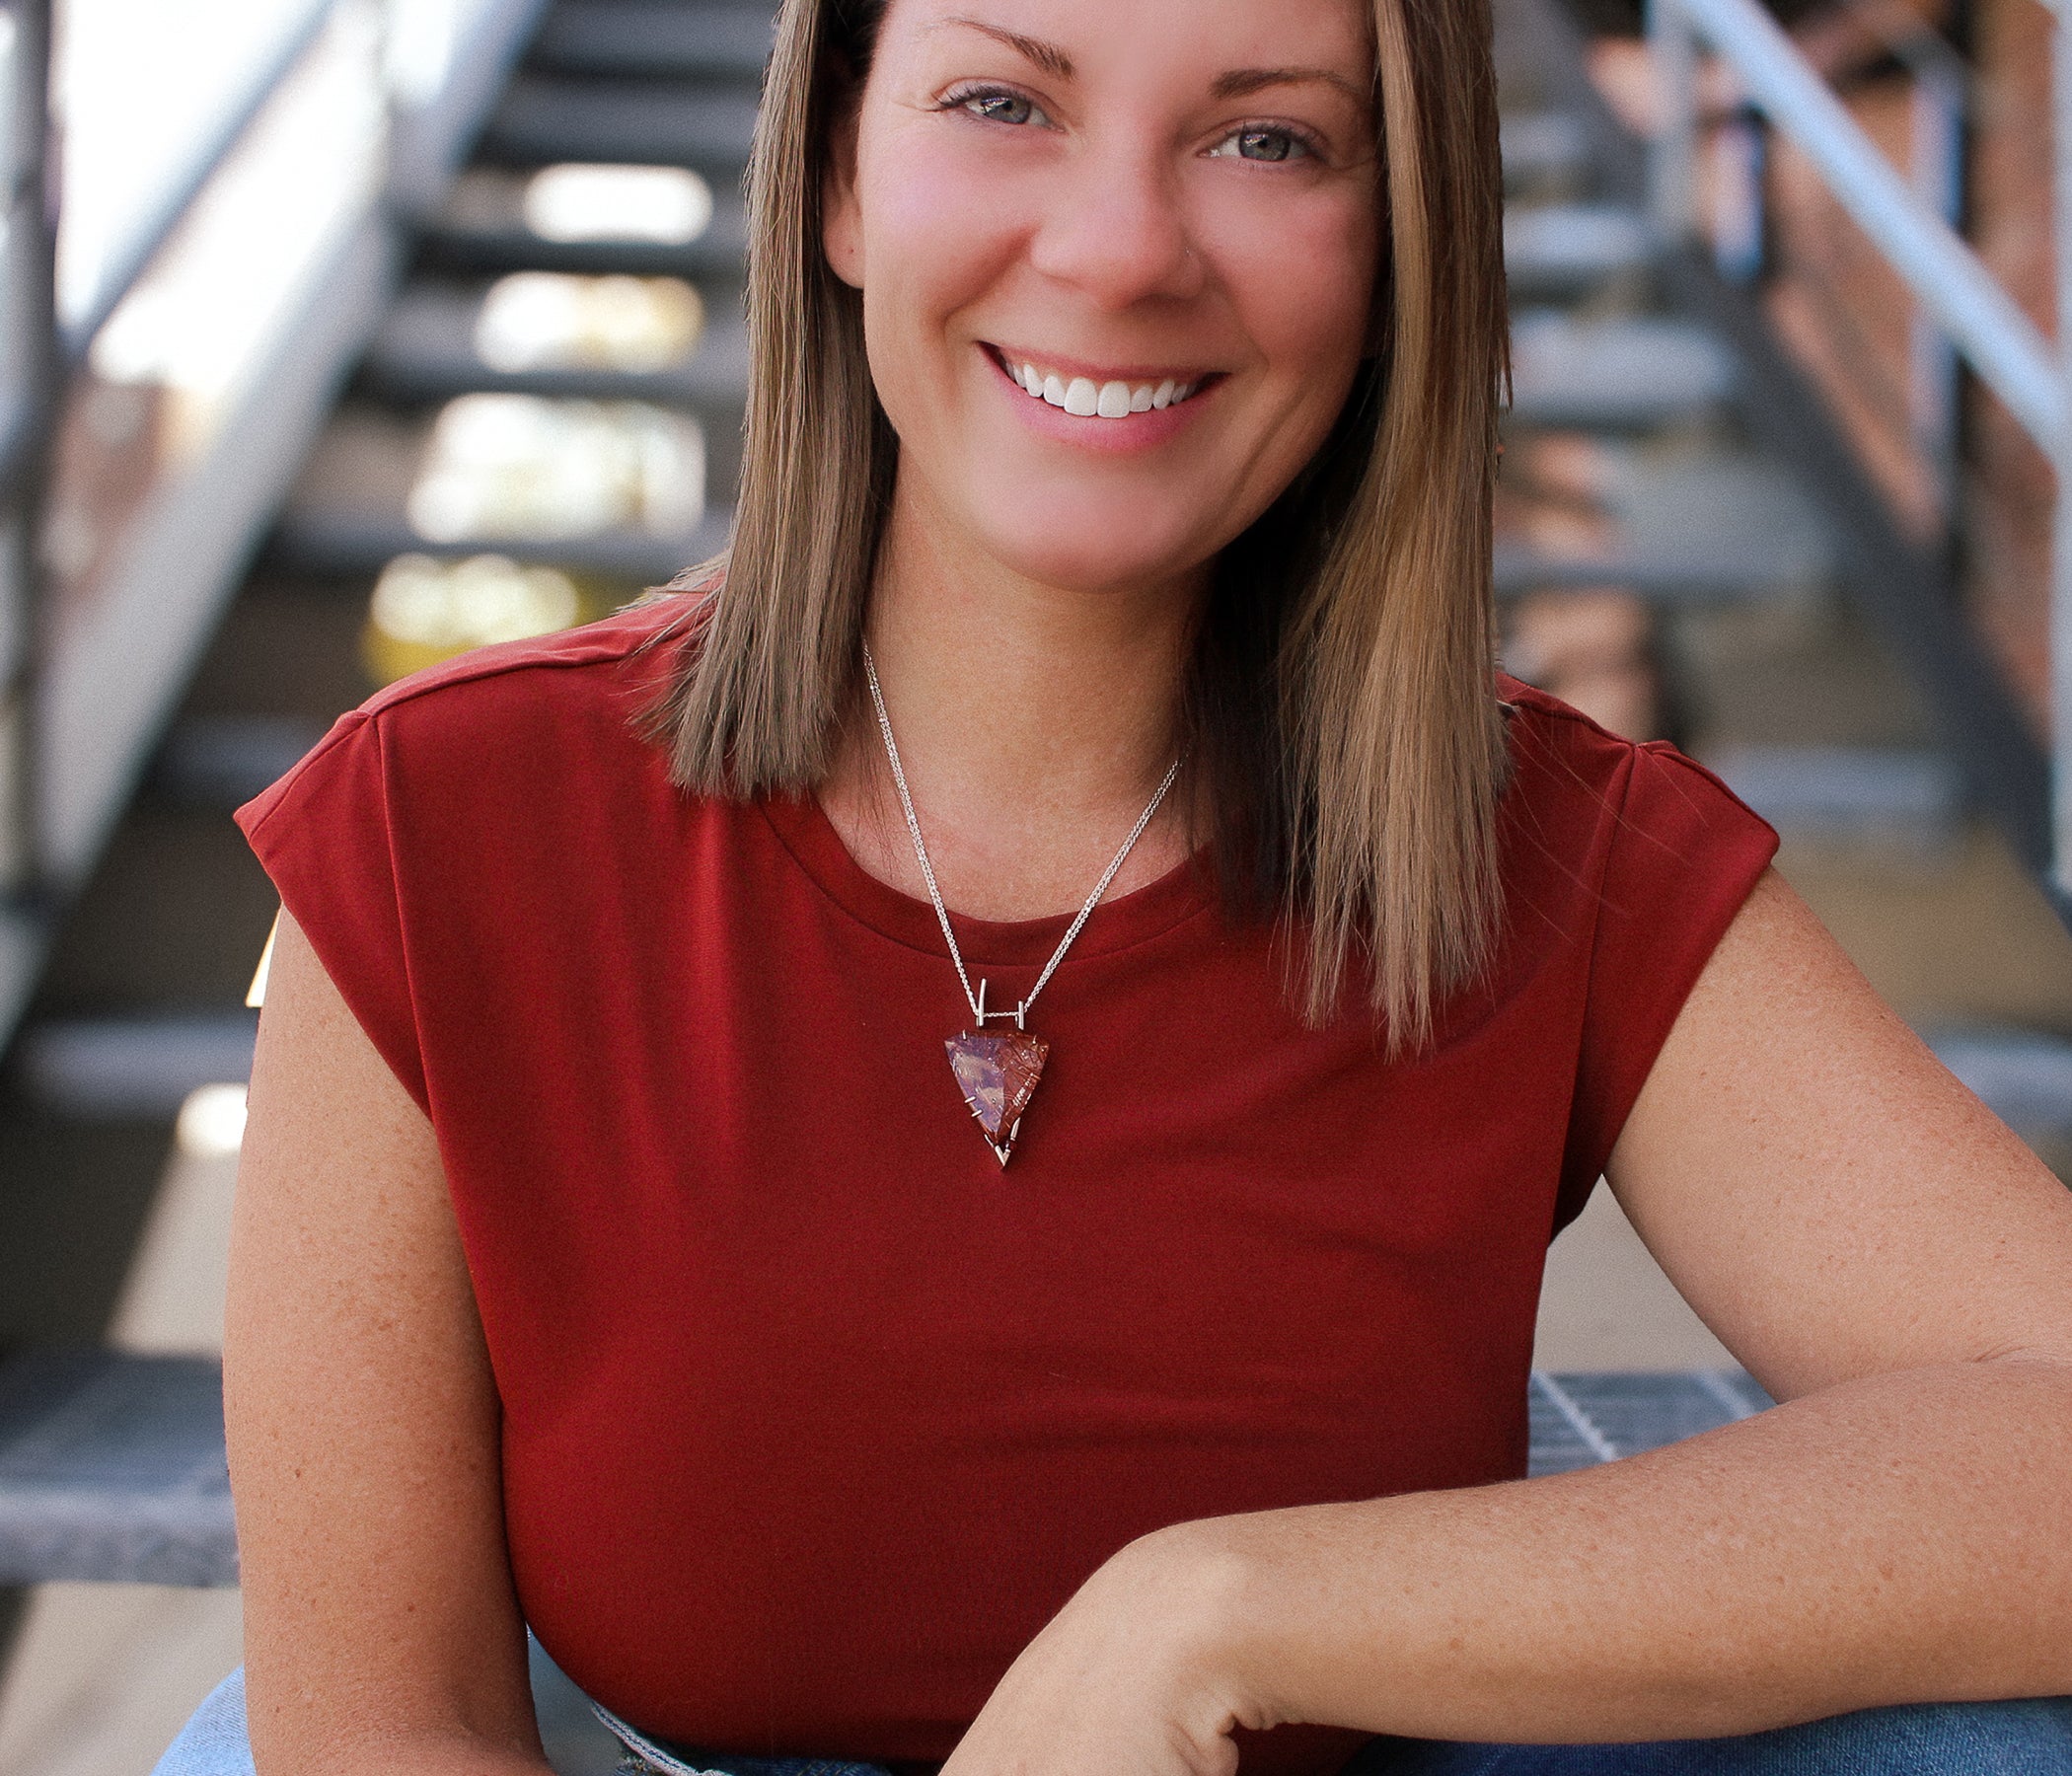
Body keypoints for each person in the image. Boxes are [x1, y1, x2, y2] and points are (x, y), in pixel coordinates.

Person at [170, 0, 2072, 1772]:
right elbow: (372, 1737)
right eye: (1005, 101)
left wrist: (1227, 1610)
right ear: (836, 173)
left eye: (1270, 142)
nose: (1121, 251)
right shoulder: (445, 826)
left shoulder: (1551, 851)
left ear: (1396, 238)